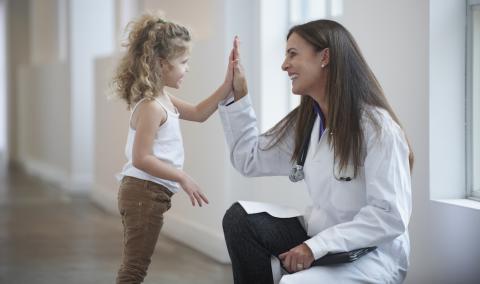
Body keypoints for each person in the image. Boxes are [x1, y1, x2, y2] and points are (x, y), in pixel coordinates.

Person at [219, 19, 413, 284]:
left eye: (292, 54)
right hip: (321, 233)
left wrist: (315, 247)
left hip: (370, 252)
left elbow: (389, 216)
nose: (284, 65)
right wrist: (239, 95)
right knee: (240, 219)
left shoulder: (377, 128)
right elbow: (249, 160)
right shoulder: (308, 120)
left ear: (325, 57)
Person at [112, 14, 236, 283]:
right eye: (183, 62)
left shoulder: (163, 99)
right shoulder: (151, 106)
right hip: (143, 193)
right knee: (134, 269)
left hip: (147, 194)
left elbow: (200, 113)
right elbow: (141, 158)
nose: (187, 68)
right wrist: (181, 176)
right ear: (161, 63)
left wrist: (227, 85)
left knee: (135, 265)